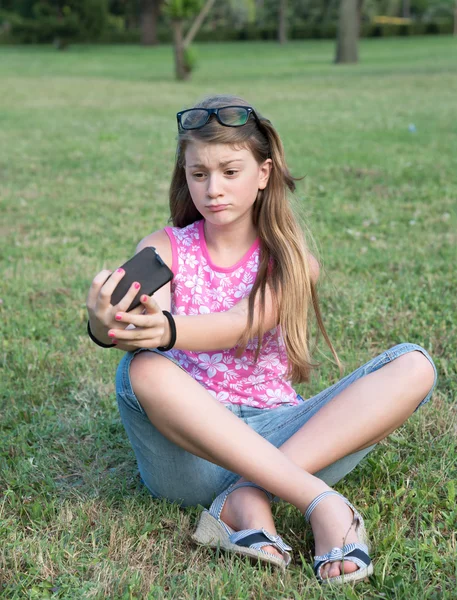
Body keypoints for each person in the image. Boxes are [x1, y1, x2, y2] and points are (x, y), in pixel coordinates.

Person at [86, 95, 437, 585]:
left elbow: (238, 322)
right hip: (190, 451)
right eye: (199, 173)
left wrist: (169, 329)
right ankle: (321, 502)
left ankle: (247, 498)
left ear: (264, 173)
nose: (213, 189)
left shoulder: (293, 264)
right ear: (183, 174)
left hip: (286, 435)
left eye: (231, 171)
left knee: (415, 365)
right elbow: (130, 325)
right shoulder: (163, 248)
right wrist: (105, 322)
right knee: (142, 368)